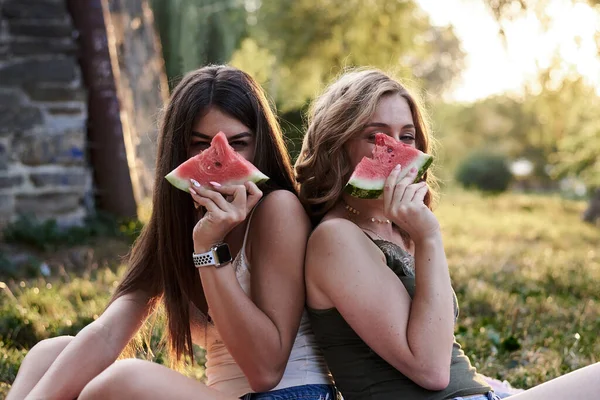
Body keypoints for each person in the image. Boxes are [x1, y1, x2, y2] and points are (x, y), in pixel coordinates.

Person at [7, 65, 334, 400]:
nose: (222, 160)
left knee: (124, 380)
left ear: (259, 146)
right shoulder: (176, 223)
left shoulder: (278, 208)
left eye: (239, 143)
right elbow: (108, 333)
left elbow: (266, 371)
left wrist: (209, 249)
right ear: (177, 151)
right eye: (201, 145)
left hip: (292, 394)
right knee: (49, 354)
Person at [294, 67, 600, 400]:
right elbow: (431, 370)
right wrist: (429, 237)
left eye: (407, 136)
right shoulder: (335, 238)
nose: (395, 149)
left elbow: (445, 350)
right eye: (375, 136)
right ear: (337, 144)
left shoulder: (398, 230)